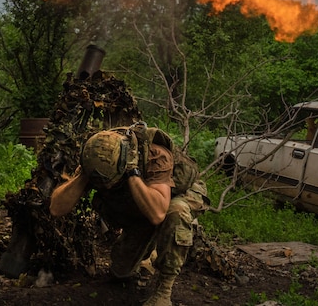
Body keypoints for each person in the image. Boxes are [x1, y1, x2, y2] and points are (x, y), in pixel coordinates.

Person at [49, 123, 207, 306]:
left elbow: (157, 213)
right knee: (121, 271)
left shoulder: (155, 154)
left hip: (175, 195)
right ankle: (150, 252)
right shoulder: (96, 154)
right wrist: (83, 176)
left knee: (175, 212)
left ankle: (164, 291)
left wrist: (132, 172)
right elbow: (56, 209)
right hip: (143, 202)